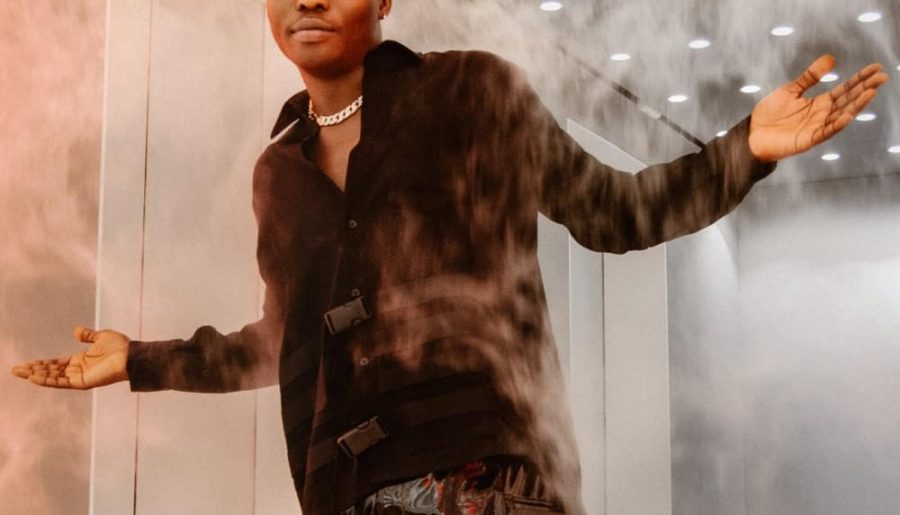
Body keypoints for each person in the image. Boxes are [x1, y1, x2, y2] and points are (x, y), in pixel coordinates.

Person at [12, 0, 889, 514]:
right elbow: (285, 338)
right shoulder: (276, 171)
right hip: (346, 494)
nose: (307, 0)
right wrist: (142, 360)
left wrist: (746, 149)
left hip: (488, 483)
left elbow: (615, 212)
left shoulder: (474, 88)